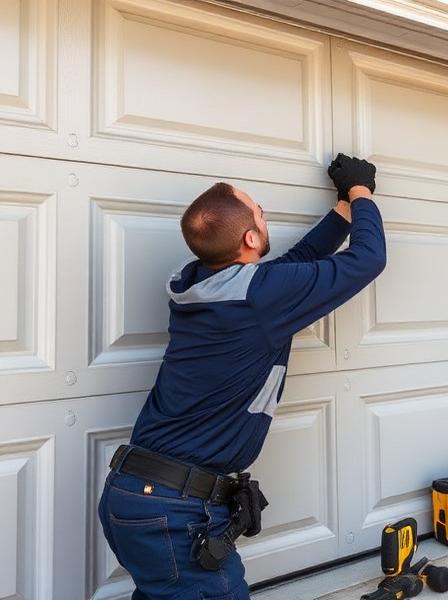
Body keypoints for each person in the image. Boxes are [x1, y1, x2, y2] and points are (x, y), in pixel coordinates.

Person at [97, 154, 385, 599]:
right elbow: (368, 259)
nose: (265, 215)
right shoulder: (258, 297)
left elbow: (297, 263)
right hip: (174, 512)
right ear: (251, 237)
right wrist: (364, 192)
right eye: (260, 211)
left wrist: (344, 207)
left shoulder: (198, 285)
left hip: (135, 499)